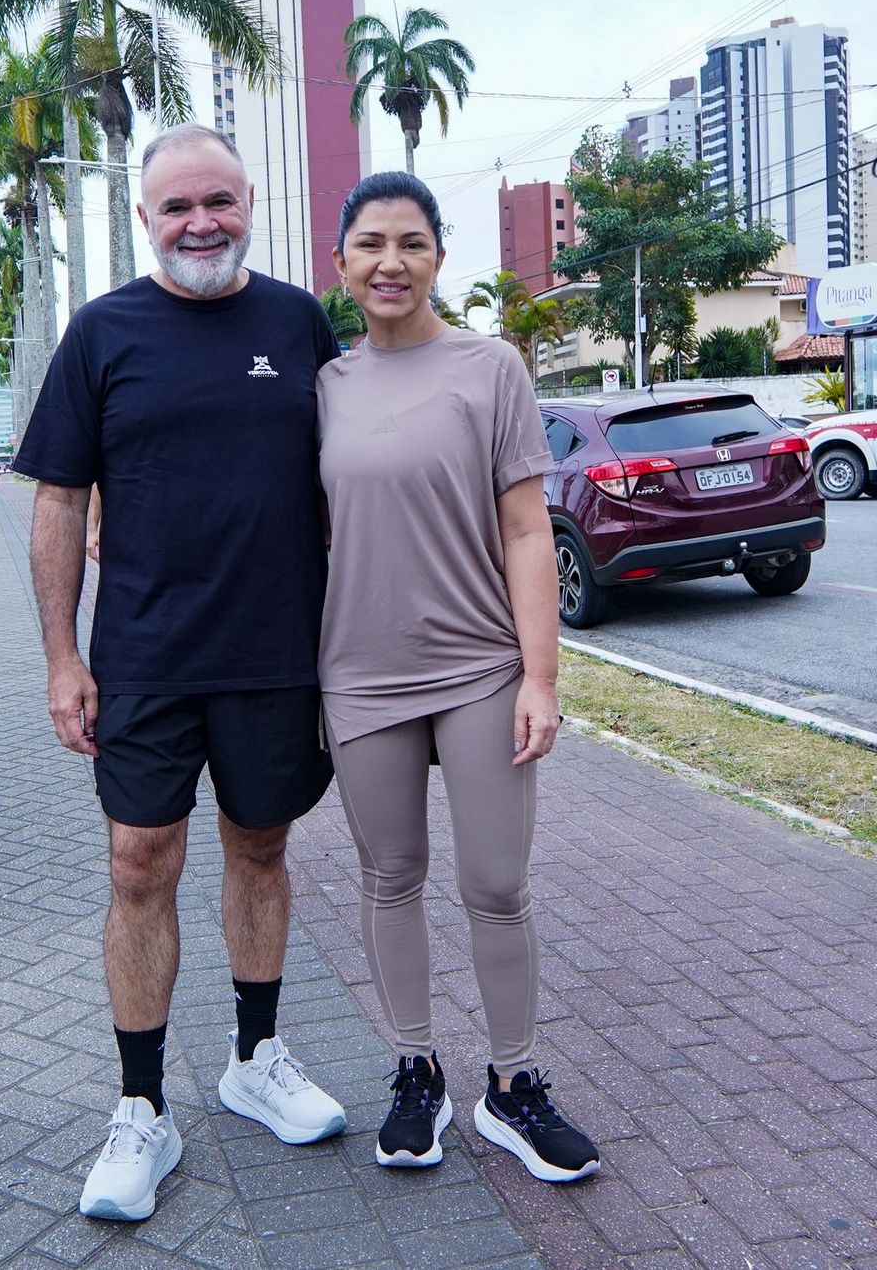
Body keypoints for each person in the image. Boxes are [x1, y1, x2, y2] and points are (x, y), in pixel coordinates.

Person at [15, 124, 345, 1223]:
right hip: (146, 656)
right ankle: (142, 1107)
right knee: (138, 862)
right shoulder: (102, 332)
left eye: (219, 201)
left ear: (248, 203)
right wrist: (62, 656)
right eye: (177, 207)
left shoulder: (298, 322)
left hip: (278, 651)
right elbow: (59, 498)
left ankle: (256, 1057)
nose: (201, 222)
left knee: (261, 845)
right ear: (147, 219)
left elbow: (351, 475)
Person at [316, 173, 600, 1183]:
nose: (390, 262)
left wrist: (540, 675)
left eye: (413, 242)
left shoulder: (491, 369)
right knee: (390, 874)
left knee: (495, 882)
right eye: (370, 243)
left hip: (480, 666)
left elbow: (527, 530)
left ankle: (513, 1085)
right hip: (360, 674)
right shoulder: (324, 385)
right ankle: (416, 1071)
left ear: (439, 255)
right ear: (340, 262)